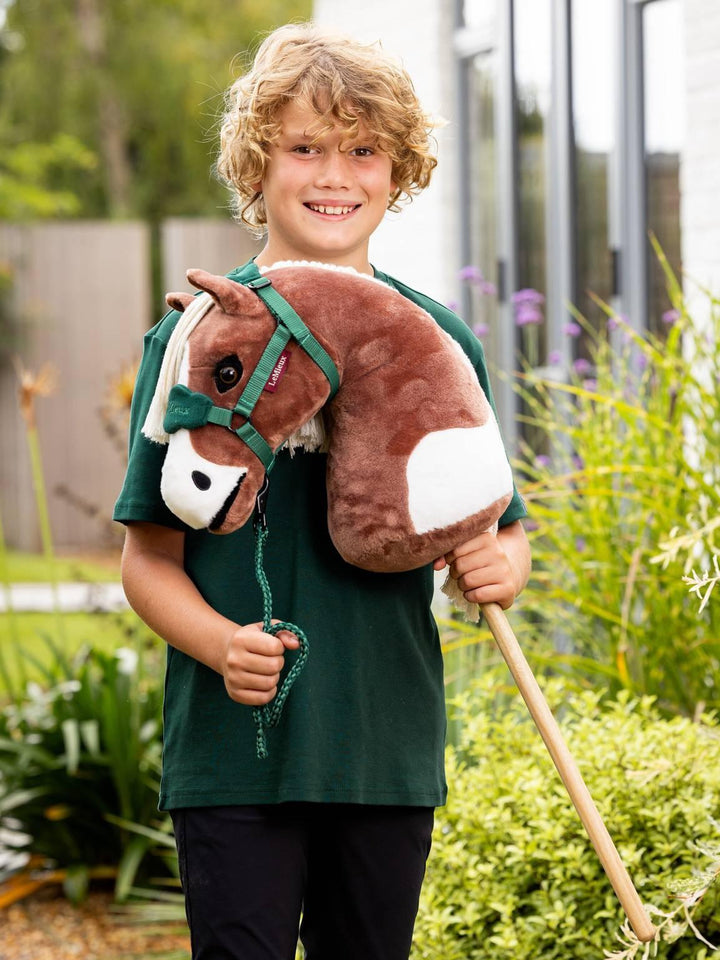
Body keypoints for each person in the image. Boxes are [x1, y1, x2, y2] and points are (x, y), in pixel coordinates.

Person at [115, 22, 530, 960]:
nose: (335, 175)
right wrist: (219, 644)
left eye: (363, 151)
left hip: (384, 753)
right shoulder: (196, 341)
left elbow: (504, 532)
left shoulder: (438, 346)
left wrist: (502, 566)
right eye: (305, 148)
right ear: (256, 163)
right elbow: (146, 562)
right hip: (235, 760)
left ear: (398, 171)